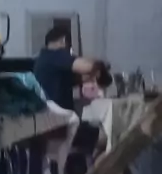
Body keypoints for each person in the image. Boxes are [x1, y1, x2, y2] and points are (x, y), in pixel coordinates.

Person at [34, 26, 111, 161]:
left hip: (51, 123)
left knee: (96, 138)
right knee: (109, 137)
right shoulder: (55, 55)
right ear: (64, 41)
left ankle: (89, 165)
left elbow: (80, 77)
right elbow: (88, 66)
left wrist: (97, 74)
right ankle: (98, 169)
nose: (69, 52)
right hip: (61, 125)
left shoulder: (44, 61)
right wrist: (100, 65)